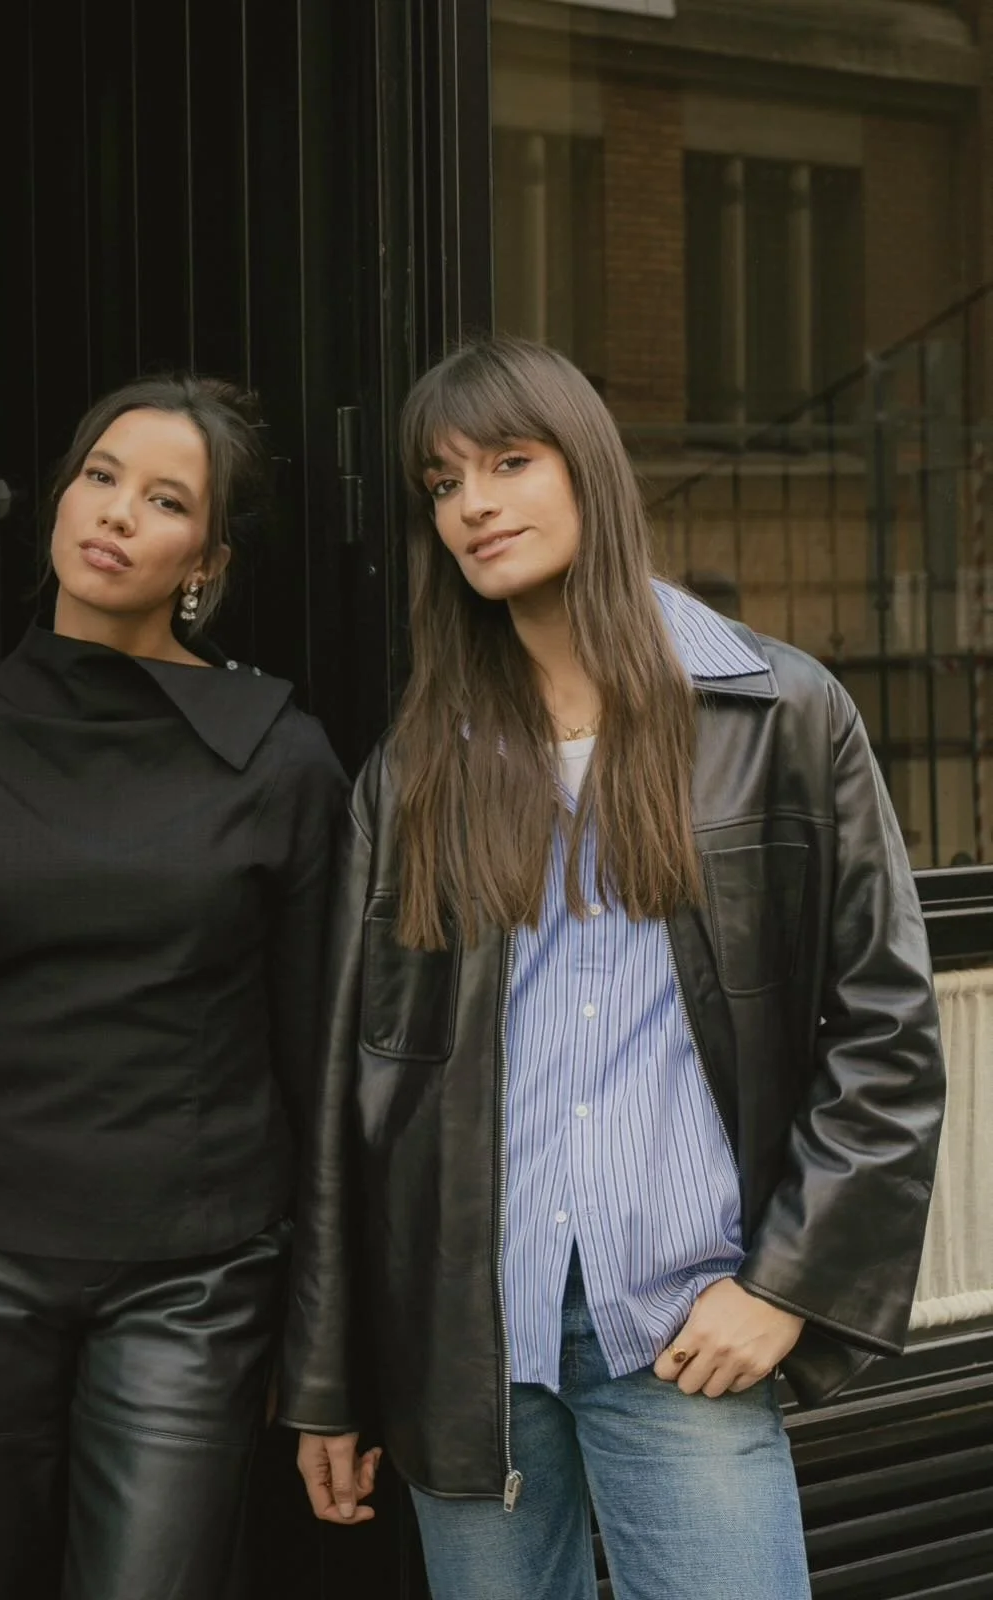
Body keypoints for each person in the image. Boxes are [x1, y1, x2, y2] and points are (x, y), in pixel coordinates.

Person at [279, 337, 945, 1600]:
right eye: (442, 483)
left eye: (509, 462)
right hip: (468, 1350)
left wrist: (786, 1285)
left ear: (588, 465)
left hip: (681, 1326)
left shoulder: (780, 714)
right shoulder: (416, 769)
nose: (473, 505)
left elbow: (885, 1033)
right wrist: (329, 1379)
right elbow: (354, 1093)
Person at [0, 375, 346, 1599]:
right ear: (60, 498)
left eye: (166, 500)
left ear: (206, 563)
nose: (116, 512)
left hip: (194, 1272)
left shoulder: (280, 758)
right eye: (100, 476)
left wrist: (324, 1337)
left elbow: (320, 1054)